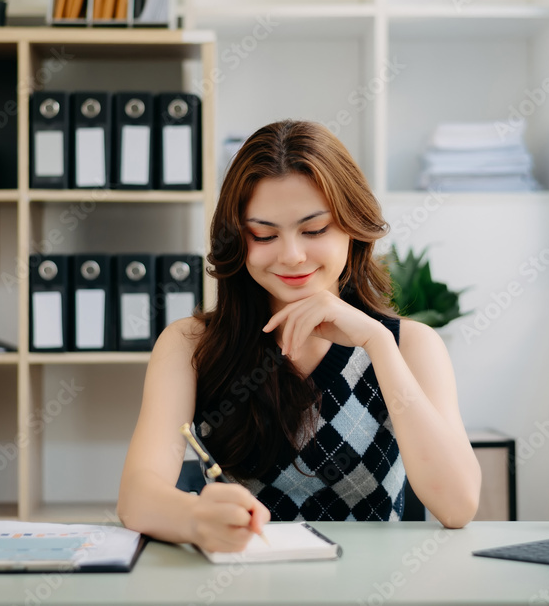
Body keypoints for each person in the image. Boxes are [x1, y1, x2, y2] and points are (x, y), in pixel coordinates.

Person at [118, 120, 481, 553]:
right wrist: (197, 519)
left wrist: (378, 344)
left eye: (314, 230)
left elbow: (458, 507)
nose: (291, 255)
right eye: (264, 235)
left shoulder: (410, 345)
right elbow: (137, 497)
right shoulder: (191, 345)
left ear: (352, 227)